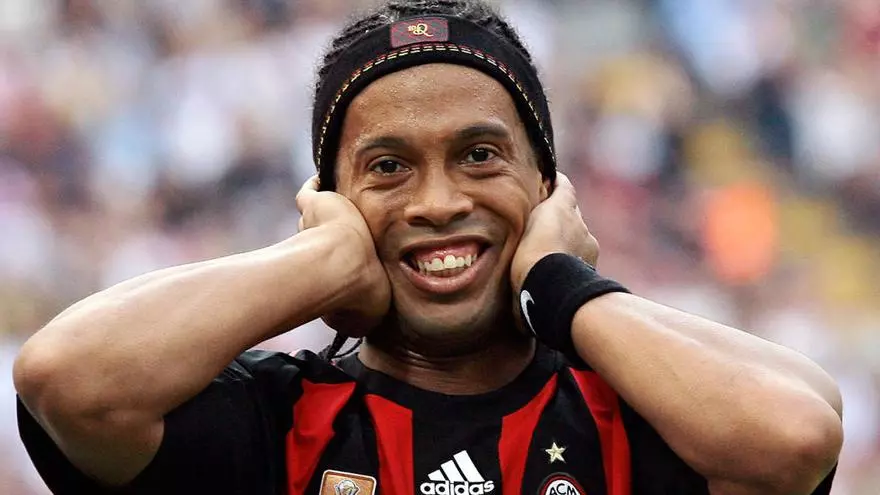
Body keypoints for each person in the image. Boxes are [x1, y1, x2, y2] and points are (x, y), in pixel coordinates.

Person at [14, 1, 843, 494]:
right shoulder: (274, 424)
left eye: (479, 155)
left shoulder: (633, 417)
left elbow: (796, 436)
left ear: (546, 185)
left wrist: (563, 287)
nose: (439, 203)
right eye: (388, 167)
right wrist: (322, 263)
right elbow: (66, 379)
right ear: (332, 200)